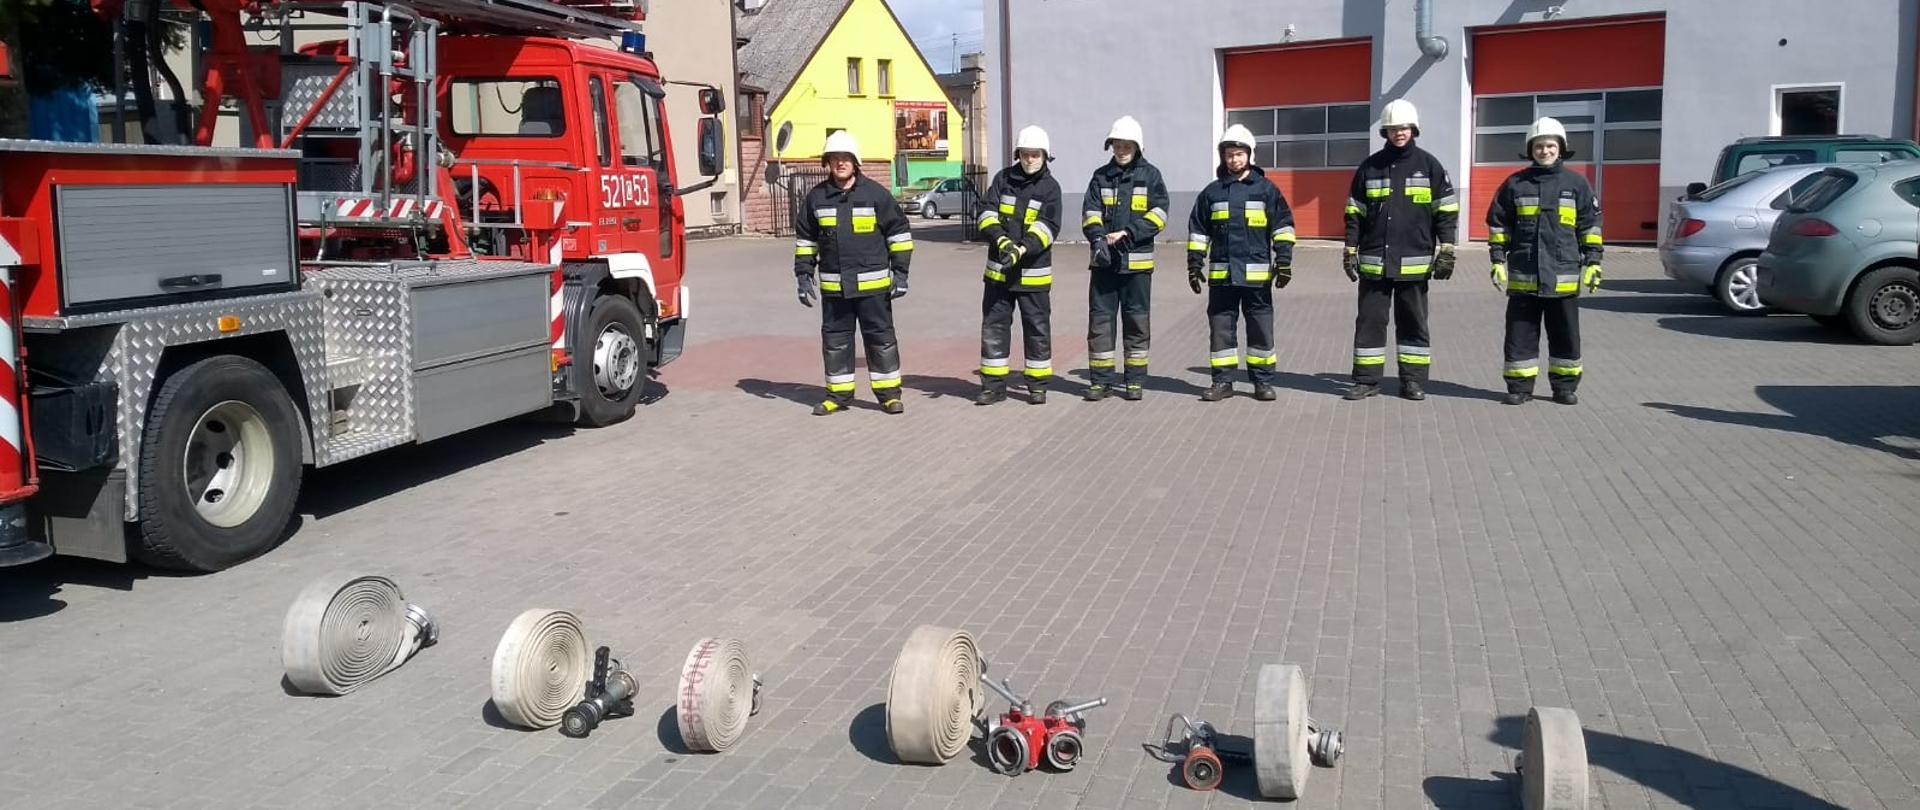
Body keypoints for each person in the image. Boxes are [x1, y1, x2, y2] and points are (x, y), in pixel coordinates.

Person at [1341, 99, 1459, 402]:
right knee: (1369, 323)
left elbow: (1446, 211)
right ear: (1386, 131)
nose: (1399, 133)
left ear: (1413, 129)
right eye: (1393, 128)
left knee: (1413, 323)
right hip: (1374, 263)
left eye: (1404, 127)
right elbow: (1355, 212)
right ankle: (1367, 381)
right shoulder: (1370, 167)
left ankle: (1412, 381)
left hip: (1414, 264)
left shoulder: (1429, 166)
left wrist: (1446, 247)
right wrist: (1350, 247)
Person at [793, 130, 913, 415]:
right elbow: (806, 240)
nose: (840, 163)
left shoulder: (876, 195)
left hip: (873, 289)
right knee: (836, 344)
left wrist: (901, 273)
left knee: (881, 340)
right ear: (827, 163)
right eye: (834, 159)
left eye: (845, 158)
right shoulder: (816, 198)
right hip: (835, 290)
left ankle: (889, 396)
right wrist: (802, 274)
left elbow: (899, 234)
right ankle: (838, 396)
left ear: (855, 162)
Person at [1486, 116, 1603, 406]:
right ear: (1531, 149)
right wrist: (1497, 260)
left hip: (1562, 277)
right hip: (1524, 276)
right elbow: (1499, 224)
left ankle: (1564, 387)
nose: (1545, 151)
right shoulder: (1515, 184)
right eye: (1539, 146)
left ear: (1560, 148)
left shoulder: (1577, 184)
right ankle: (1519, 387)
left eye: (1550, 145)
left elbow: (1590, 226)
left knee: (1565, 335)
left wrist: (1593, 262)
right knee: (1520, 335)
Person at [1185, 124, 1296, 402]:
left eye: (1239, 154)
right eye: (1229, 155)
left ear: (1249, 155)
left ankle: (1262, 382)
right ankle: (1222, 382)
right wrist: (1194, 264)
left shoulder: (1266, 191)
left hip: (1256, 279)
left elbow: (1283, 227)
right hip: (1222, 277)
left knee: (1260, 329)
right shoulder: (1212, 193)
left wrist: (1283, 261)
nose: (1234, 159)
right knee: (1221, 331)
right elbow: (1198, 230)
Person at [1080, 115, 1168, 401]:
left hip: (1137, 267)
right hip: (1104, 264)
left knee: (1136, 324)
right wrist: (1097, 238)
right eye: (1117, 144)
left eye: (1126, 144)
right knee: (1100, 324)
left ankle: (1133, 381)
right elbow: (1090, 212)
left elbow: (1159, 215)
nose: (1121, 149)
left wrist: (1128, 233)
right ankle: (1101, 381)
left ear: (1137, 146)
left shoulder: (1151, 176)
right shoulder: (1100, 176)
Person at [974, 125, 1063, 405]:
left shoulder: (1050, 188)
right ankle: (993, 387)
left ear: (1045, 156)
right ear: (1018, 155)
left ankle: (1037, 386)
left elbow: (1048, 227)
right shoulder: (1003, 180)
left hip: (1032, 276)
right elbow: (986, 213)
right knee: (994, 328)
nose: (1029, 160)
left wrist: (1022, 248)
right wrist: (1002, 242)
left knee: (1037, 329)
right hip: (999, 274)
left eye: (1035, 155)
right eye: (1025, 154)